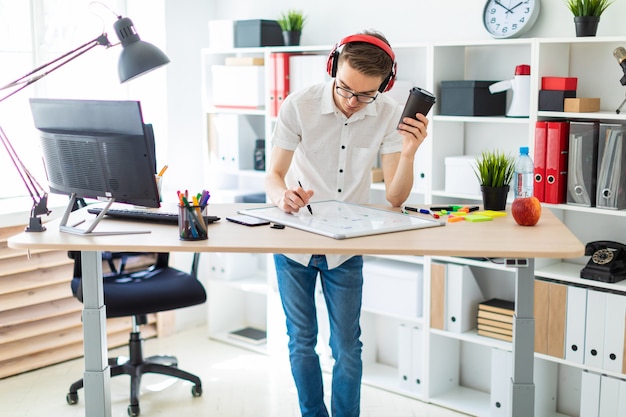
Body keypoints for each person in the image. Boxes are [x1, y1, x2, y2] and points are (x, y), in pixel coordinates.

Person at [264, 30, 429, 417]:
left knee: (347, 346)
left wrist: (409, 153)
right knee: (302, 341)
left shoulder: (389, 113)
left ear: (384, 85)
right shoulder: (298, 105)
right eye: (344, 89)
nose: (352, 102)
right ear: (333, 67)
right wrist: (281, 196)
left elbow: (396, 197)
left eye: (366, 94)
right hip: (296, 238)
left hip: (345, 245)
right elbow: (274, 174)